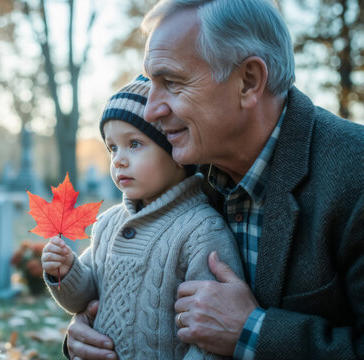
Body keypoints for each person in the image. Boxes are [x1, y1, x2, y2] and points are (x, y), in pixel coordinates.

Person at [64, 0, 364, 359]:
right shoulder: (183, 172)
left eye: (171, 82)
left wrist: (253, 332)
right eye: (150, 83)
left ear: (248, 82)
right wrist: (91, 331)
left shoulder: (354, 175)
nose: (151, 110)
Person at [42, 74, 244, 359]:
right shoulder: (110, 223)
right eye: (112, 147)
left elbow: (211, 336)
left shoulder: (201, 230)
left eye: (134, 144)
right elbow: (84, 300)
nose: (118, 159)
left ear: (177, 152)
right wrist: (65, 271)